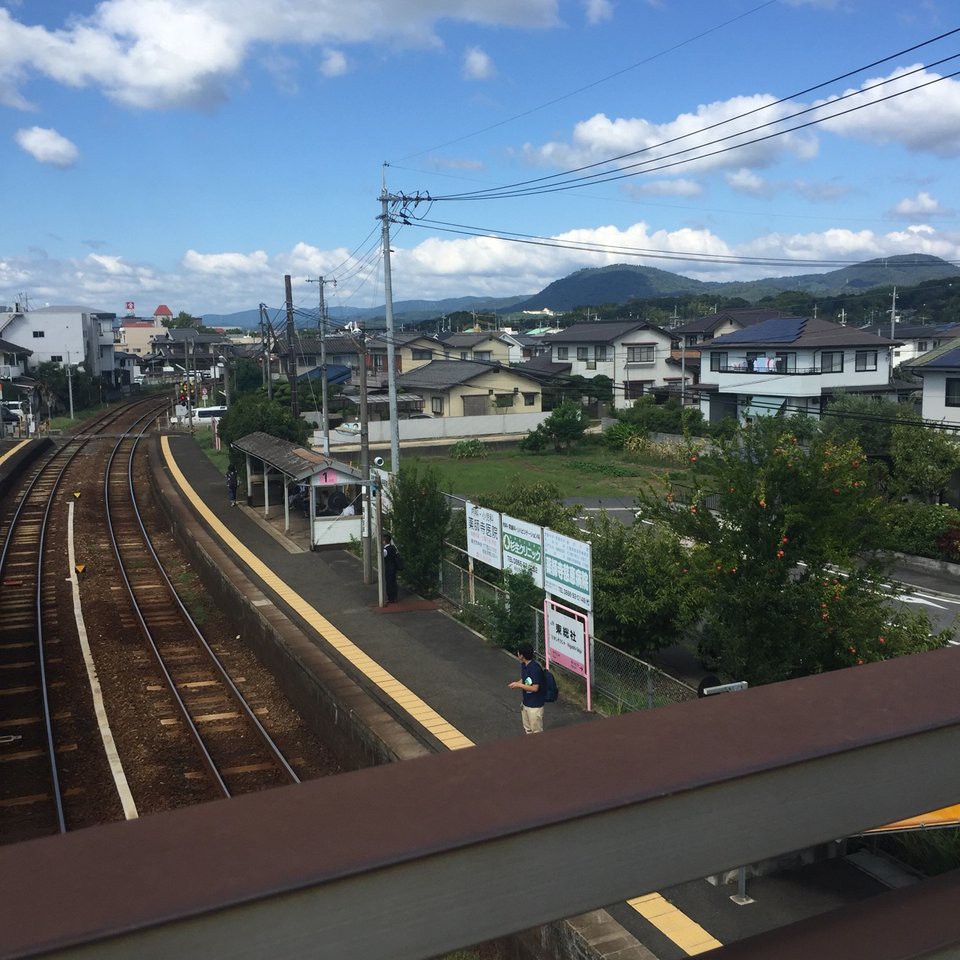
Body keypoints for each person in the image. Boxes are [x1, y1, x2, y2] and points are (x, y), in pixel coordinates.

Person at [508, 643, 546, 734]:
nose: (517, 654)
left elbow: (534, 688)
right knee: (527, 729)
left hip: (535, 706)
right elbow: (525, 679)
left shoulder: (535, 669)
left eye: (518, 653)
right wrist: (517, 683)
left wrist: (518, 685)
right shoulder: (524, 665)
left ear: (522, 655)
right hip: (526, 703)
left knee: (536, 731)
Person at [382, 531, 401, 603]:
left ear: (384, 541)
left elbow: (382, 556)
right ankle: (395, 596)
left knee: (389, 582)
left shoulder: (385, 550)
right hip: (394, 567)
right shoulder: (393, 547)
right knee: (394, 582)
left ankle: (391, 598)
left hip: (388, 567)